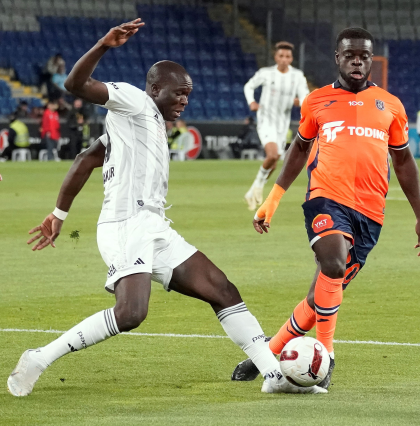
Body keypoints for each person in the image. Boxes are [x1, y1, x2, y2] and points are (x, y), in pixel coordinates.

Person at [7, 18, 324, 398]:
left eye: (188, 95)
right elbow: (76, 85)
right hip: (125, 225)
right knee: (131, 314)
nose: (184, 101)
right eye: (178, 94)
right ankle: (39, 358)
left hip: (153, 226)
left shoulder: (145, 122)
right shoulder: (133, 100)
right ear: (155, 89)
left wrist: (59, 216)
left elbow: (85, 160)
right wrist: (105, 45)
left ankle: (274, 376)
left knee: (223, 289)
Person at [230, 27, 420, 389]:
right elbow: (298, 149)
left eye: (364, 55)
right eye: (350, 55)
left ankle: (264, 356)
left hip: (370, 213)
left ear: (372, 60)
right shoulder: (317, 101)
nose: (357, 60)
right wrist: (272, 199)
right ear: (337, 59)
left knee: (319, 296)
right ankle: (327, 355)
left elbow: (403, 162)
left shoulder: (392, 106)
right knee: (333, 263)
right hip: (326, 198)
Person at [243, 41, 309, 211]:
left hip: (282, 124)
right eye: (281, 56)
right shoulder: (266, 73)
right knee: (272, 155)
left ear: (291, 58)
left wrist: (301, 103)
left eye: (287, 56)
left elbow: (304, 96)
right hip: (266, 120)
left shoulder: (297, 76)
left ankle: (252, 192)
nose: (284, 59)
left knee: (273, 163)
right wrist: (252, 102)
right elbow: (249, 86)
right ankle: (257, 186)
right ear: (275, 57)